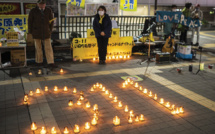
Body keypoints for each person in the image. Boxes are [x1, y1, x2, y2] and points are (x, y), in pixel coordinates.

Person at [28, 0, 56, 69]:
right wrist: (30, 32)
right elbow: (30, 22)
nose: (42, 5)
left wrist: (50, 30)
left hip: (46, 32)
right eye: (41, 4)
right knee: (38, 48)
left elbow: (51, 21)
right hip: (36, 32)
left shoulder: (48, 10)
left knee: (48, 48)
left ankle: (50, 62)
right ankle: (39, 62)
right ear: (37, 4)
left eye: (43, 4)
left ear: (45, 4)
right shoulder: (33, 11)